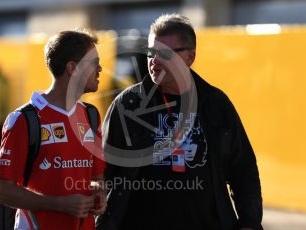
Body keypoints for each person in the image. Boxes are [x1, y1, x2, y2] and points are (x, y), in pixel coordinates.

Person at [97, 14, 263, 230]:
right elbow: (104, 170)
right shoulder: (128, 105)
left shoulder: (215, 103)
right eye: (151, 52)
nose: (154, 61)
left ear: (190, 57)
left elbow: (243, 170)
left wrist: (249, 223)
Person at [0, 29, 107, 230]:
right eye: (94, 62)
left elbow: (96, 177)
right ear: (72, 68)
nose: (100, 68)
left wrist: (99, 194)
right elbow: (2, 191)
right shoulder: (24, 119)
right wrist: (58, 204)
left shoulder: (91, 115)